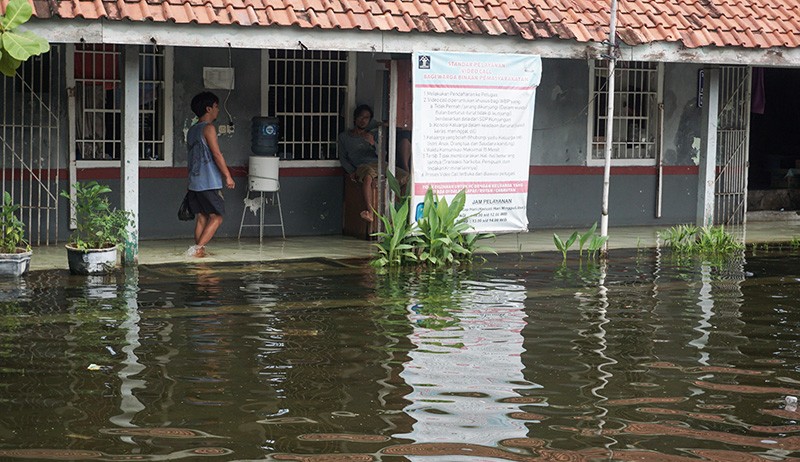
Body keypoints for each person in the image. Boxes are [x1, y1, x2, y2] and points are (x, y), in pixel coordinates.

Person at [185, 91, 235, 257]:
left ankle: (200, 251)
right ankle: (197, 249)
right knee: (217, 217)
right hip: (208, 181)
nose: (218, 110)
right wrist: (227, 175)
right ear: (208, 108)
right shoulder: (208, 128)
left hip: (194, 180)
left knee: (202, 216)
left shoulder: (192, 130)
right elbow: (216, 154)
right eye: (215, 106)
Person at [338, 104, 408, 223]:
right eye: (361, 117)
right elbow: (343, 157)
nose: (363, 120)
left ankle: (403, 212)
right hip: (362, 166)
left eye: (367, 118)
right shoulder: (345, 137)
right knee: (368, 177)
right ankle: (369, 212)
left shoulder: (373, 135)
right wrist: (351, 171)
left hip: (380, 164)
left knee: (407, 177)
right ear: (355, 118)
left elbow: (383, 154)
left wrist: (373, 144)